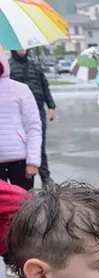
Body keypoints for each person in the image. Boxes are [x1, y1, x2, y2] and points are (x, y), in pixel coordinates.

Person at [10, 49, 55, 186]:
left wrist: (51, 106)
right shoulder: (9, 65)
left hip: (37, 110)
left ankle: (45, 176)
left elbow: (44, 86)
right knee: (21, 146)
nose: (22, 50)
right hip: (17, 112)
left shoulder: (35, 65)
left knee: (38, 144)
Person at [0, 52, 40, 192]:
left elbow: (33, 127)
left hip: (20, 160)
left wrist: (33, 161)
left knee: (25, 203)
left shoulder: (20, 89)